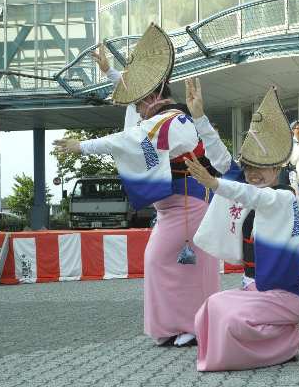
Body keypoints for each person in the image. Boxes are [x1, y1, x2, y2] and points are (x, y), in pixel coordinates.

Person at [53, 24, 232, 348]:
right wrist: (110, 73)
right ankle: (177, 325)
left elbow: (130, 138)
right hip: (173, 209)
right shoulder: (155, 119)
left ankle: (193, 324)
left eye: (137, 103)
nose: (133, 108)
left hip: (188, 206)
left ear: (151, 99)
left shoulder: (174, 122)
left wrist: (83, 146)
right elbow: (136, 114)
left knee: (167, 262)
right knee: (177, 265)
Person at [187, 86, 299, 371]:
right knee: (208, 311)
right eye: (248, 168)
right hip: (254, 291)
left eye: (262, 168)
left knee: (235, 322)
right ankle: (272, 342)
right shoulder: (250, 185)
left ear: (278, 167)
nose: (253, 174)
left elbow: (257, 196)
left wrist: (215, 185)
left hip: (285, 294)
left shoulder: (286, 198)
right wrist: (199, 117)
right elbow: (222, 160)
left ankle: (292, 340)